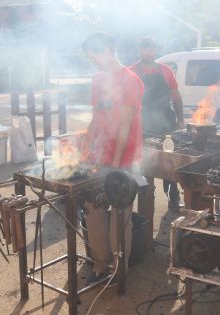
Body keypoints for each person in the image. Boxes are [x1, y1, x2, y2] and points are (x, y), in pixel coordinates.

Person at [81, 32, 144, 283]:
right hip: (99, 157)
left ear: (107, 50)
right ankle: (100, 263)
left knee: (120, 216)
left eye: (94, 56)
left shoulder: (131, 80)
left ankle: (119, 268)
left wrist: (116, 165)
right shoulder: (98, 80)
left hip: (124, 159)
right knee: (92, 210)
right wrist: (86, 153)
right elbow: (96, 118)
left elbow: (126, 124)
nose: (93, 61)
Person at [130, 37, 185, 210]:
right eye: (146, 49)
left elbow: (176, 96)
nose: (149, 52)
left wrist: (180, 119)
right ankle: (146, 193)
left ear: (155, 50)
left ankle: (172, 196)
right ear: (140, 50)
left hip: (165, 123)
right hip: (141, 123)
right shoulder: (131, 72)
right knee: (142, 160)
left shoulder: (166, 70)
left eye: (152, 49)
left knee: (169, 161)